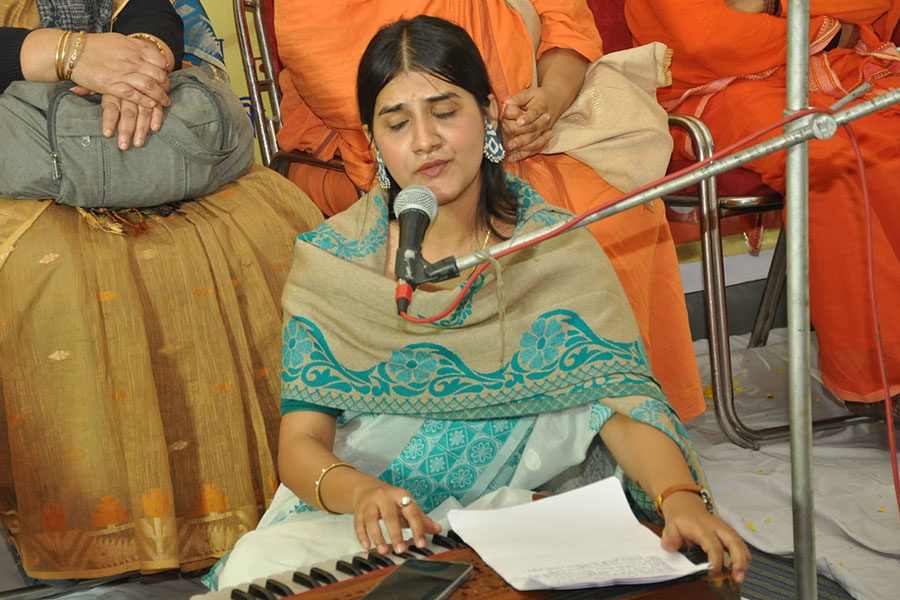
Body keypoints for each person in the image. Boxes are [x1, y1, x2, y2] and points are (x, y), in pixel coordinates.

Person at [210, 16, 750, 591]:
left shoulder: (550, 248)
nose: (425, 140)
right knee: (254, 573)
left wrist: (679, 498)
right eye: (398, 123)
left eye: (445, 112)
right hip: (369, 522)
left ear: (489, 114)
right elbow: (300, 444)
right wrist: (361, 492)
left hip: (518, 515)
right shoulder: (333, 263)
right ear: (374, 142)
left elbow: (618, 404)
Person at [0, 0, 324, 581]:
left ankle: (292, 503)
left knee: (270, 229)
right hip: (19, 152)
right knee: (48, 272)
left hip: (130, 131)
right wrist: (71, 54)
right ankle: (99, 539)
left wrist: (137, 67)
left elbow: (155, 8)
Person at [271, 0, 708, 423]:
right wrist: (456, 121)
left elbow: (566, 27)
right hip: (394, 161)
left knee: (615, 217)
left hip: (527, 133)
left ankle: (617, 414)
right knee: (538, 227)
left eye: (446, 110)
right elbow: (358, 84)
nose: (426, 135)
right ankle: (502, 412)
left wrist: (545, 104)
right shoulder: (399, 133)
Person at [625, 0, 900, 419]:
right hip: (720, 89)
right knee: (824, 165)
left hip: (834, 72)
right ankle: (881, 377)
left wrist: (770, 5)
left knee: (887, 151)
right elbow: (702, 40)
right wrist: (823, 30)